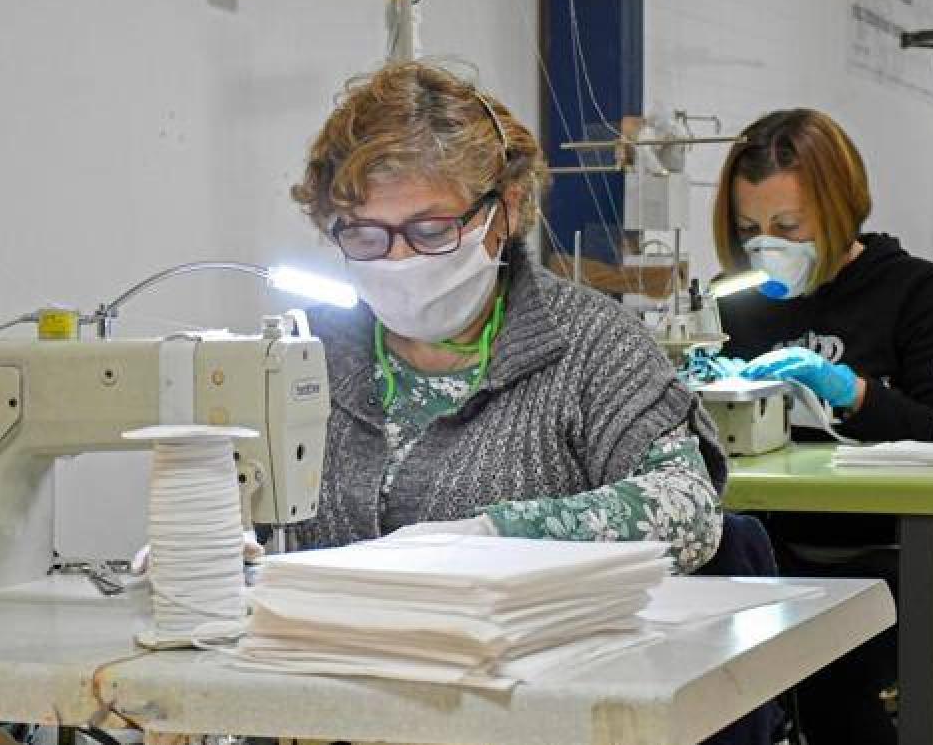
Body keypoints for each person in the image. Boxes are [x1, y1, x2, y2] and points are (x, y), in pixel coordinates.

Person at [286, 60, 725, 574]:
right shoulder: (305, 351)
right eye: (364, 236)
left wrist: (499, 537)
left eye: (431, 231)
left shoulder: (590, 344)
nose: (398, 260)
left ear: (508, 208)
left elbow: (687, 510)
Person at [712, 108, 933, 745]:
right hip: (770, 550)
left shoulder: (914, 291)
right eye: (750, 230)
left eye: (788, 227)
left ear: (838, 209)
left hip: (893, 557)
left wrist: (857, 394)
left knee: (821, 670)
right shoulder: (742, 300)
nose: (768, 246)